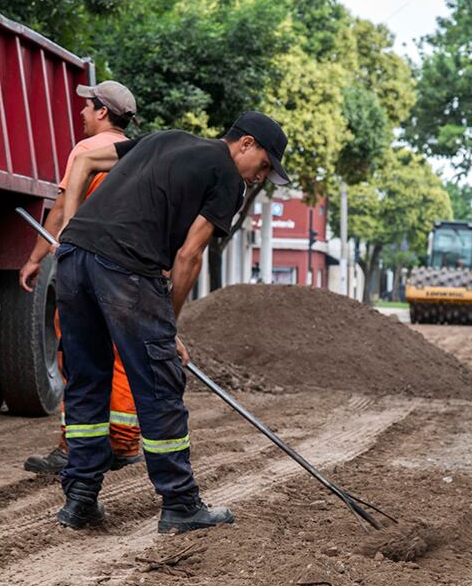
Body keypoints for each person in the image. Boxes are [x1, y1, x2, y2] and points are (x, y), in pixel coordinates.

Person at [54, 111, 289, 533]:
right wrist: (169, 328)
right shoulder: (227, 176)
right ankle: (180, 503)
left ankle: (80, 498)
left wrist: (70, 229)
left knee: (86, 380)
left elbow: (84, 161)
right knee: (159, 384)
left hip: (73, 261)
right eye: (265, 165)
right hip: (126, 268)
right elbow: (188, 255)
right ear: (246, 143)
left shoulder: (164, 138)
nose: (260, 176)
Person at [19, 81, 142, 474]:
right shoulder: (136, 154)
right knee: (122, 353)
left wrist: (35, 258)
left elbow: (59, 210)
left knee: (77, 353)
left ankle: (73, 448)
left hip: (87, 271)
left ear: (103, 112)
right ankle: (123, 442)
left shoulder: (88, 150)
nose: (82, 113)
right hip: (127, 271)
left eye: (88, 107)